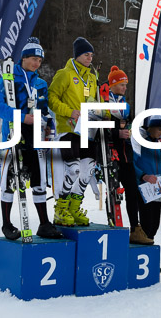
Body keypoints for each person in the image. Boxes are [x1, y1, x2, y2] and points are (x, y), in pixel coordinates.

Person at [0, 37, 62, 240]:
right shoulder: (8, 79)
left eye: (40, 60)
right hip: (13, 134)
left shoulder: (40, 83)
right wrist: (22, 117)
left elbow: (45, 109)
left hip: (35, 136)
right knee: (10, 180)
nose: (37, 63)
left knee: (39, 179)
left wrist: (49, 126)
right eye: (33, 59)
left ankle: (44, 224)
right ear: (23, 58)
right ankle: (6, 224)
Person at [48, 37, 99, 226]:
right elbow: (51, 99)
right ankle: (60, 208)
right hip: (68, 129)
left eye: (91, 55)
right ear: (77, 55)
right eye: (86, 54)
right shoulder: (65, 74)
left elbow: (94, 102)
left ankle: (74, 208)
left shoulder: (92, 78)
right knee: (74, 169)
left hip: (88, 131)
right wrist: (70, 112)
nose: (90, 58)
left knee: (87, 171)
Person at [103, 65, 151, 245]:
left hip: (126, 154)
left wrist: (130, 132)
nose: (124, 88)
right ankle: (112, 224)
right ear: (112, 84)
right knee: (113, 192)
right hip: (110, 152)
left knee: (132, 191)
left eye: (125, 85)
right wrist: (116, 134)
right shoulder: (104, 101)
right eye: (121, 85)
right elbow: (98, 127)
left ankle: (135, 228)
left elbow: (127, 125)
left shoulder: (126, 104)